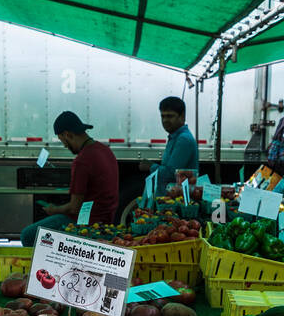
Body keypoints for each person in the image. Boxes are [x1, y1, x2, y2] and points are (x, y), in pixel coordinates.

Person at [19, 110, 119, 246]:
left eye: (62, 141)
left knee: (28, 235)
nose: (65, 146)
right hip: (107, 219)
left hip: (86, 223)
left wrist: (53, 209)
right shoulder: (105, 150)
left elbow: (74, 208)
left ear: (67, 134)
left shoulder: (82, 161)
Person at [138, 96, 198, 190]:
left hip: (177, 199)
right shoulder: (175, 137)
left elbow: (171, 174)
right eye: (163, 116)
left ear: (182, 116)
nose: (165, 120)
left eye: (170, 116)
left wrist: (150, 166)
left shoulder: (183, 139)